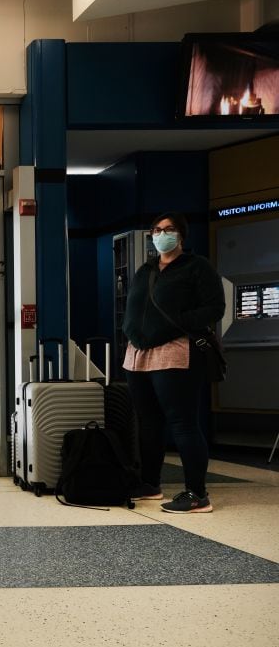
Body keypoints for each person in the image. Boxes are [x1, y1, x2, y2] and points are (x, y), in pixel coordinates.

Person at [122, 212, 225, 514]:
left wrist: (177, 324)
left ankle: (197, 494)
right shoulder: (146, 269)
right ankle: (150, 484)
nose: (161, 234)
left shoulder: (197, 267)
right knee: (148, 422)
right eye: (156, 229)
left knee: (182, 423)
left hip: (176, 351)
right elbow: (133, 307)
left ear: (181, 235)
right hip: (138, 355)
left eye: (168, 229)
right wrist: (132, 333)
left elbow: (214, 308)